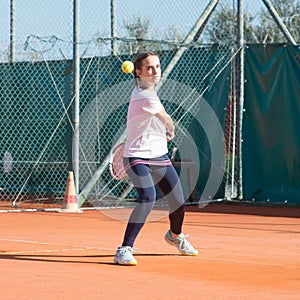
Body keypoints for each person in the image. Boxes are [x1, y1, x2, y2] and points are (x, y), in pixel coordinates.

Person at [114, 51, 198, 266]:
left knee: (178, 202)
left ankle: (175, 236)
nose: (154, 71)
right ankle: (124, 249)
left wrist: (163, 134)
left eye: (158, 67)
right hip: (136, 157)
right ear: (138, 72)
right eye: (149, 68)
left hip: (159, 156)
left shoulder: (149, 92)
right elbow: (165, 118)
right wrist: (170, 130)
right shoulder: (144, 95)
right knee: (148, 197)